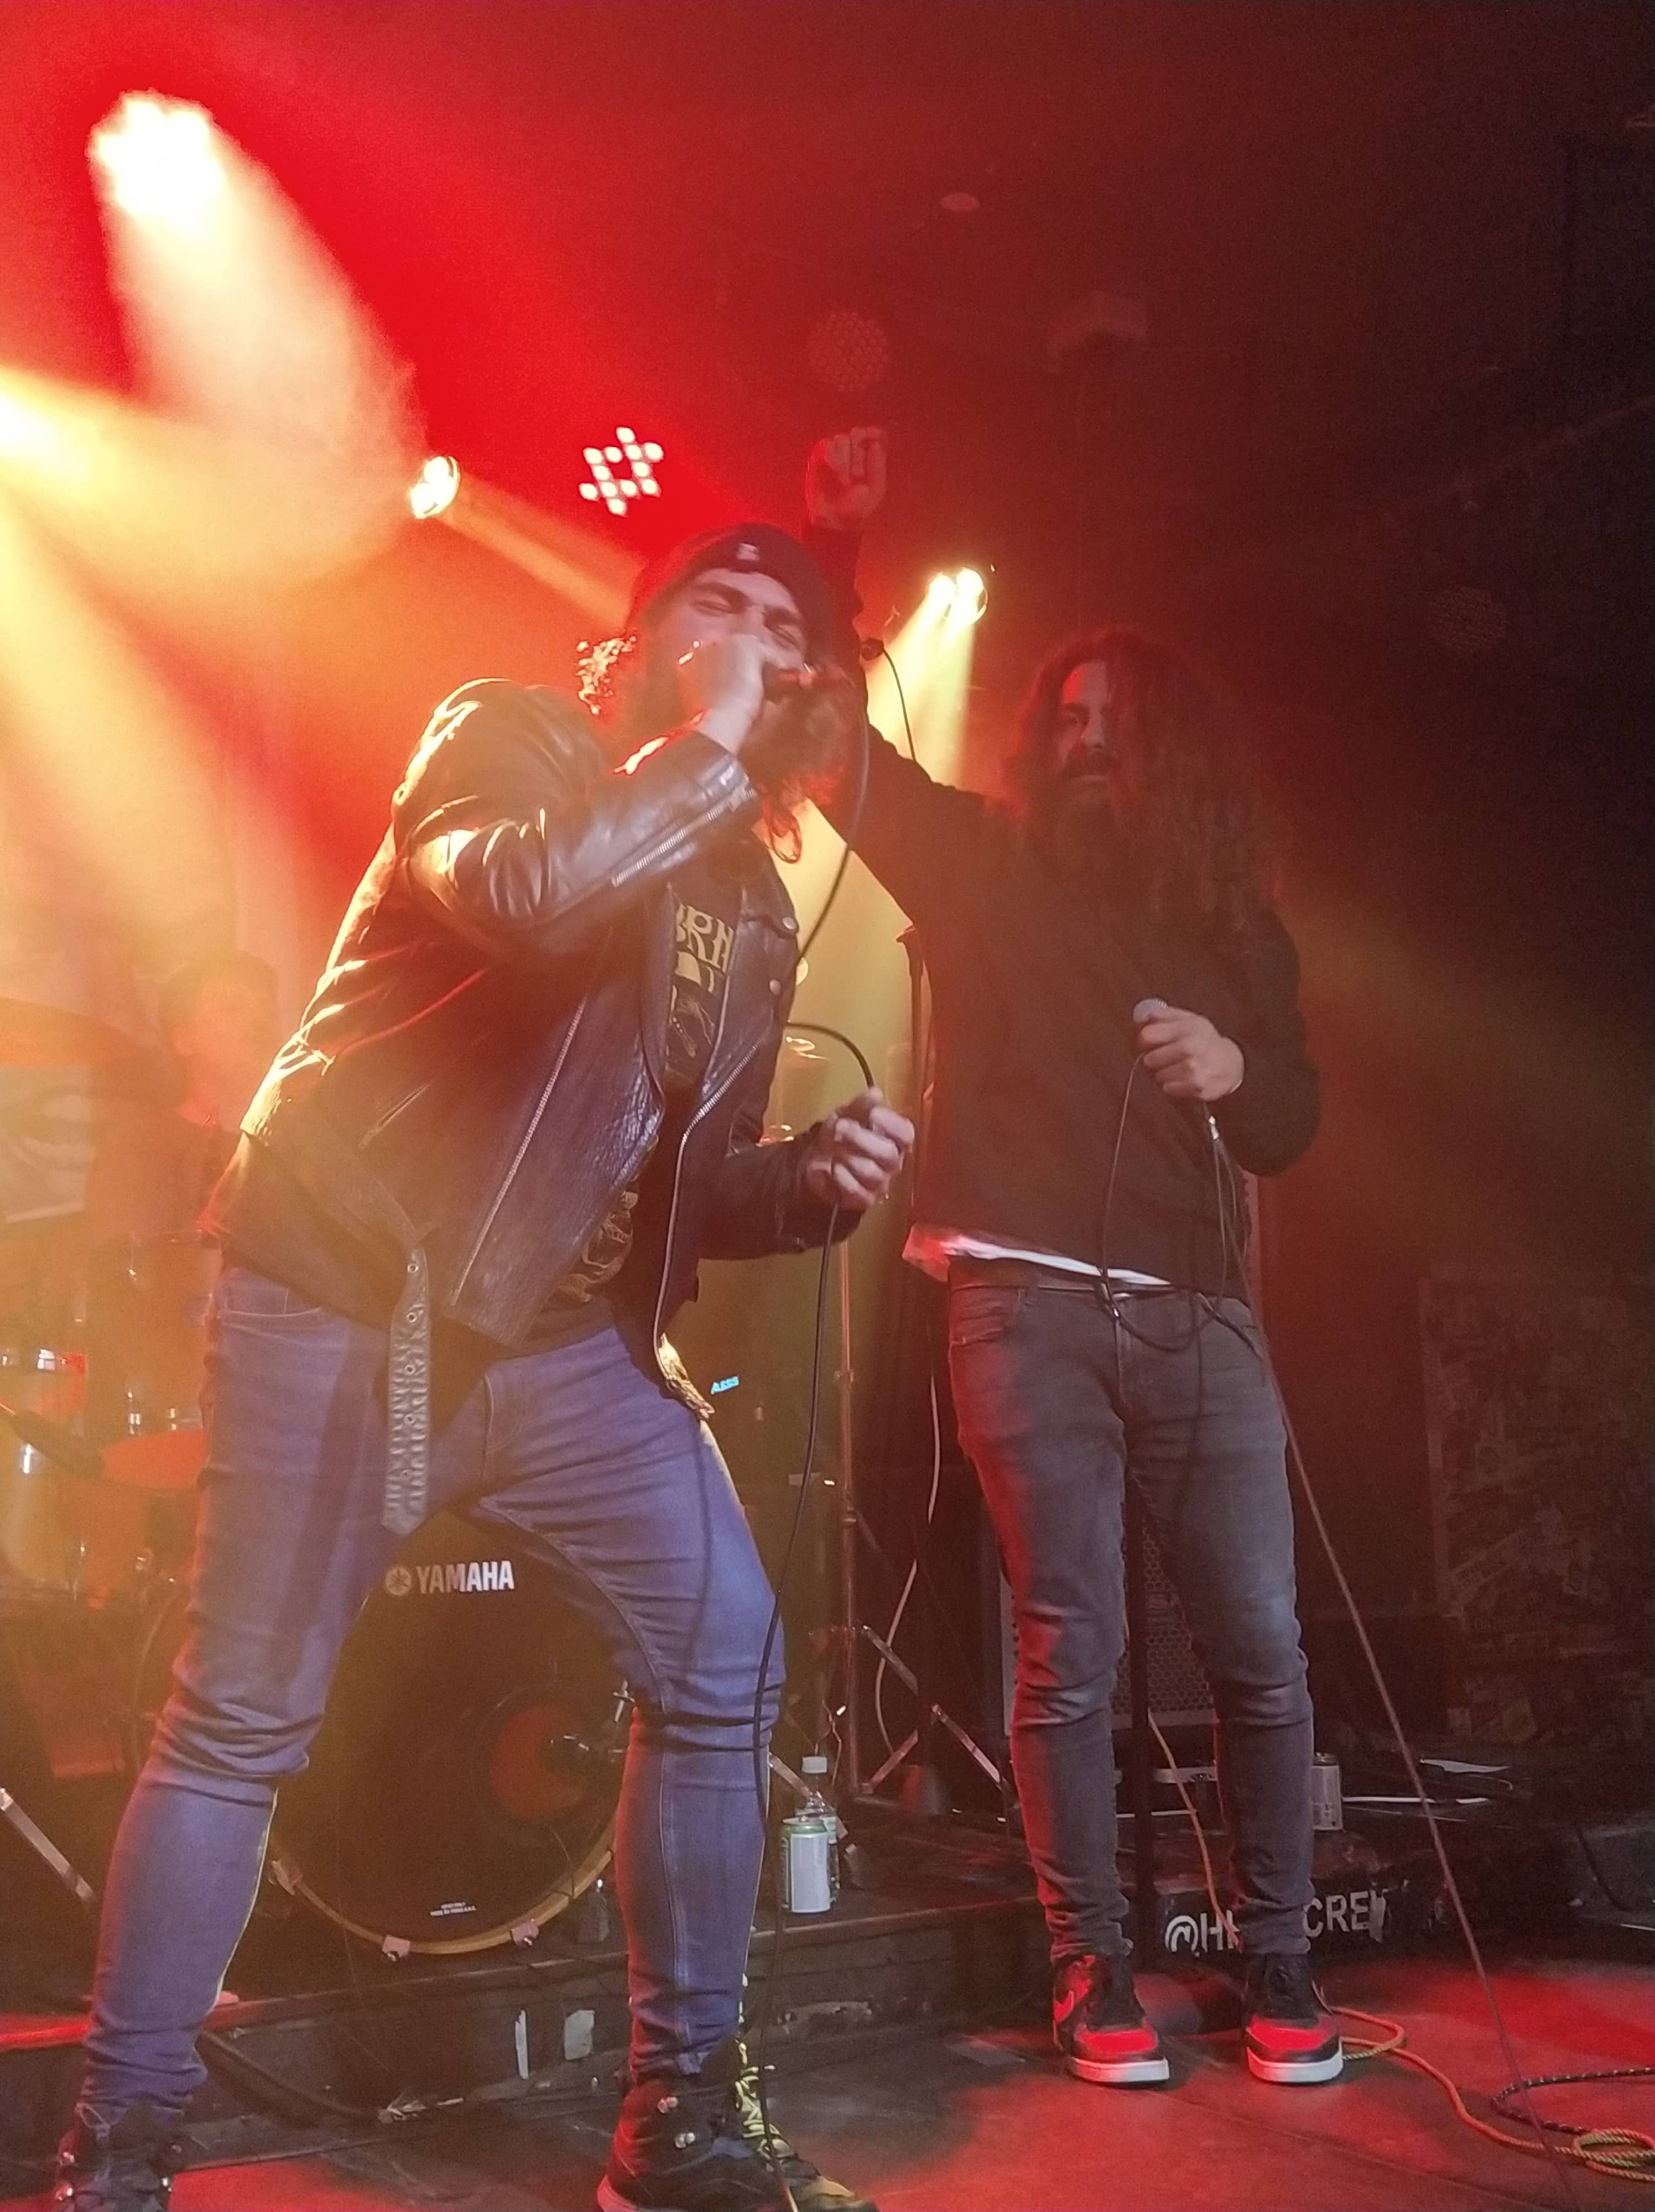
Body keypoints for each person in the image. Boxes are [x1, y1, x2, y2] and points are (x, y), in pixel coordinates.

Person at [55, 521, 911, 2212]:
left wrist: (806, 1180)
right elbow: (519, 897)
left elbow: (675, 1182)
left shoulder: (749, 905)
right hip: (360, 1297)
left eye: (780, 624)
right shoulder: (508, 738)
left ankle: (682, 2128)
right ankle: (123, 2145)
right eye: (715, 605)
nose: (748, 635)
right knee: (245, 1712)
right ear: (646, 638)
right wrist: (705, 744)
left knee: (726, 1654)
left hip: (568, 1350)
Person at [806, 430, 1339, 2092]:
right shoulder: (983, 860)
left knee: (1262, 1652)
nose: (1088, 742)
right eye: (1069, 721)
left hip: (1199, 1318)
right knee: (1071, 1648)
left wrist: (1233, 1068)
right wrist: (835, 552)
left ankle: (1279, 1961)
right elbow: (836, 754)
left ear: (1176, 753)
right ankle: (1088, 1965)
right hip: (1024, 1305)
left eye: (1117, 723)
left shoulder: (1237, 927)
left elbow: (1293, 1119)